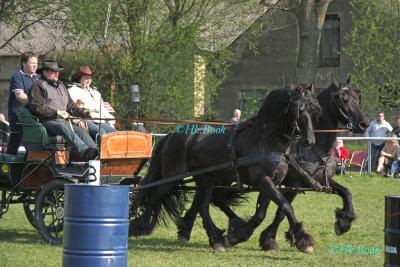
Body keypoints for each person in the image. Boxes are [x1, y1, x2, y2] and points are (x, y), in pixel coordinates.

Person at [28, 61, 98, 161]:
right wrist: (56, 112)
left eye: (58, 71)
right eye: (53, 71)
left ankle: (95, 153)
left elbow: (70, 106)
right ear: (45, 72)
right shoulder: (38, 86)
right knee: (63, 127)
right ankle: (85, 151)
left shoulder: (61, 86)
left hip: (64, 121)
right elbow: (37, 107)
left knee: (81, 131)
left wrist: (84, 113)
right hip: (48, 121)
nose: (57, 73)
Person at [68, 66, 116, 141]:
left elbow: (103, 108)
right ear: (80, 79)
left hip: (100, 120)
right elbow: (72, 108)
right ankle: (101, 152)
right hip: (86, 119)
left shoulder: (96, 93)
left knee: (115, 133)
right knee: (101, 133)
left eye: (90, 78)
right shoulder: (73, 90)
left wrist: (111, 121)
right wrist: (78, 120)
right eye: (86, 78)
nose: (88, 80)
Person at [6, 52, 39, 154]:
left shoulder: (38, 77)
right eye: (32, 63)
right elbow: (19, 95)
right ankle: (9, 165)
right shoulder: (17, 76)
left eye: (36, 63)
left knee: (34, 141)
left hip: (33, 114)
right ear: (24, 63)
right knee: (15, 141)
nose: (35, 65)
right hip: (18, 115)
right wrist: (35, 103)